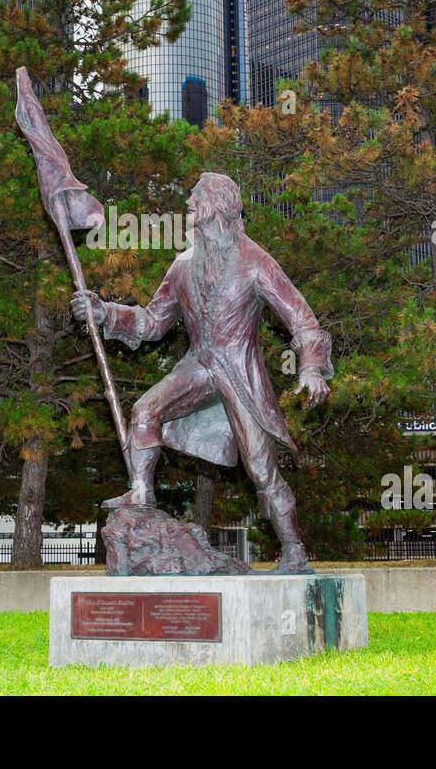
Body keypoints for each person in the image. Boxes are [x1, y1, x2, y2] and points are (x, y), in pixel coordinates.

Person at [72, 171, 331, 573]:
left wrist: (311, 368)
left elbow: (301, 317)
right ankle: (141, 493)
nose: (189, 203)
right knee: (144, 412)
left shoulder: (256, 262)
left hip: (239, 376)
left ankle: (294, 549)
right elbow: (152, 323)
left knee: (262, 470)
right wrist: (105, 311)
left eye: (195, 196)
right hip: (199, 366)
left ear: (219, 204)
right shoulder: (183, 265)